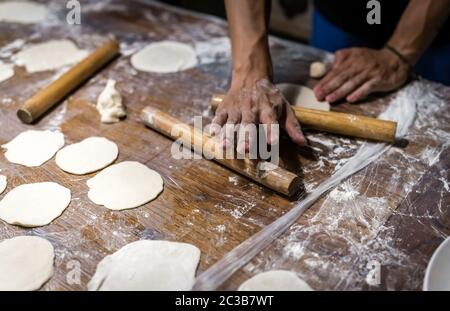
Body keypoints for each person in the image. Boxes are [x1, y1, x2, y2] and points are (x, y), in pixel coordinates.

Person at [212, 0, 450, 150]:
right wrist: (251, 71)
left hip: (431, 30)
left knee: (430, 138)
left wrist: (400, 52)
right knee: (327, 78)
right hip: (340, 16)